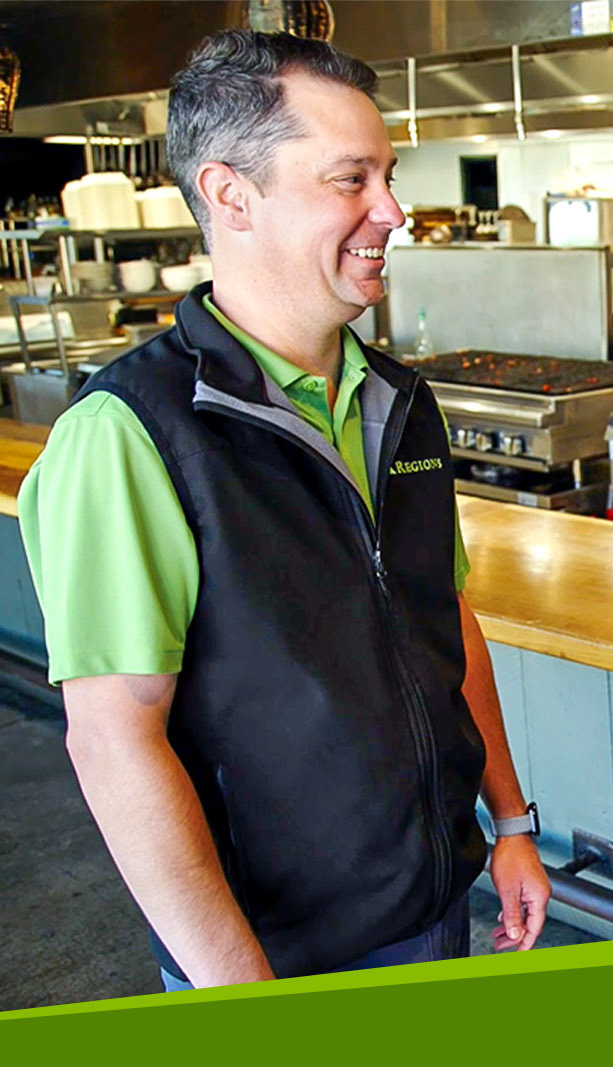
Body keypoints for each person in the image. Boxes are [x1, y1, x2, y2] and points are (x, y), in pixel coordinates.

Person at [18, 30, 550, 988]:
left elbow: (444, 618)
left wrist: (508, 821)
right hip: (273, 953)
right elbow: (113, 743)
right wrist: (239, 992)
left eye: (387, 175)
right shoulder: (128, 434)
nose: (393, 210)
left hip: (435, 904)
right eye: (352, 180)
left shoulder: (399, 400)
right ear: (231, 195)